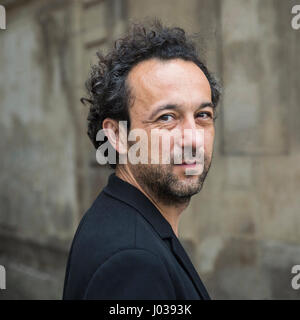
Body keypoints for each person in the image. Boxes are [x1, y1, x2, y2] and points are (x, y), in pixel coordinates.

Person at [63, 20, 221, 300]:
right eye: (167, 118)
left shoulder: (122, 219)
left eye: (202, 115)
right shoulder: (133, 262)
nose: (193, 140)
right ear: (117, 135)